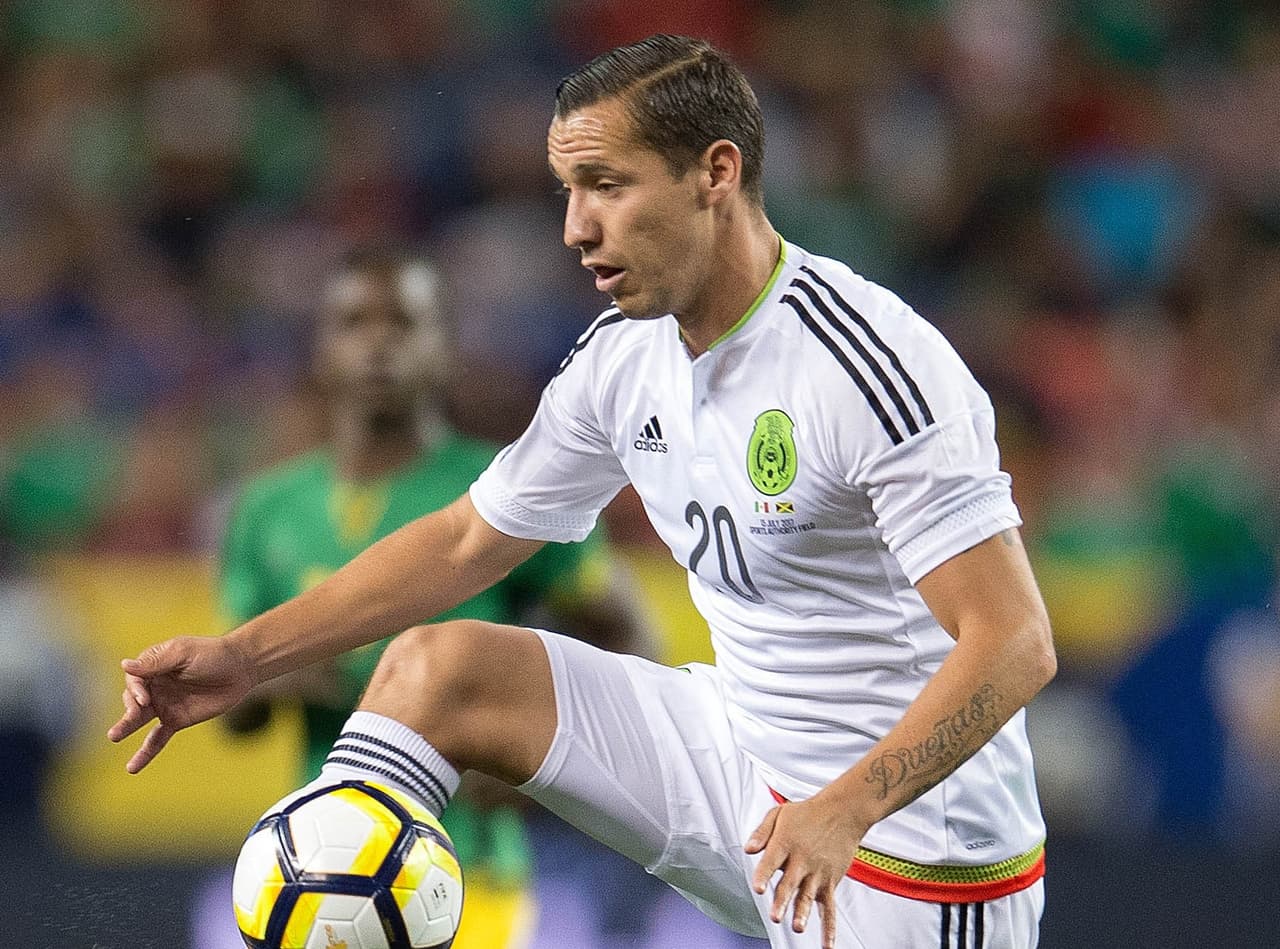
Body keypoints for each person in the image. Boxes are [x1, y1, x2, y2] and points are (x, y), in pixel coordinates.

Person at [110, 35, 1057, 949]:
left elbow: (1015, 641)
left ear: (715, 173)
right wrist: (246, 654)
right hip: (737, 760)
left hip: (908, 849)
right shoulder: (624, 358)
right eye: (568, 191)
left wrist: (845, 807)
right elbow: (465, 541)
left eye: (607, 185)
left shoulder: (867, 365)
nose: (575, 228)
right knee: (440, 668)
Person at [195, 249, 657, 948]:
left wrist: (540, 767)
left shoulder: (505, 489)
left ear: (444, 347)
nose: (379, 342)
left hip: (469, 868)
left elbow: (629, 638)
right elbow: (236, 719)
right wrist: (295, 674)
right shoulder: (265, 511)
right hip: (320, 867)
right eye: (355, 322)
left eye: (404, 322)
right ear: (321, 350)